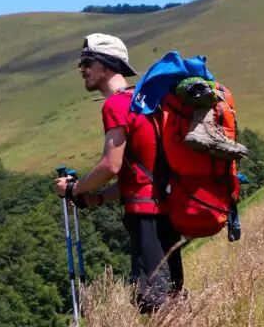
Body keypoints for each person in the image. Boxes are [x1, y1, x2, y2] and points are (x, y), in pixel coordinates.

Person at [54, 32, 185, 313]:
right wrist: (97, 198)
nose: (82, 70)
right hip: (166, 210)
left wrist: (74, 190)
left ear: (106, 65)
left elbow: (110, 165)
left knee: (154, 300)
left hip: (145, 216)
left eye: (87, 63)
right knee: (169, 294)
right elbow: (136, 175)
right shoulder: (146, 102)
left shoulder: (116, 105)